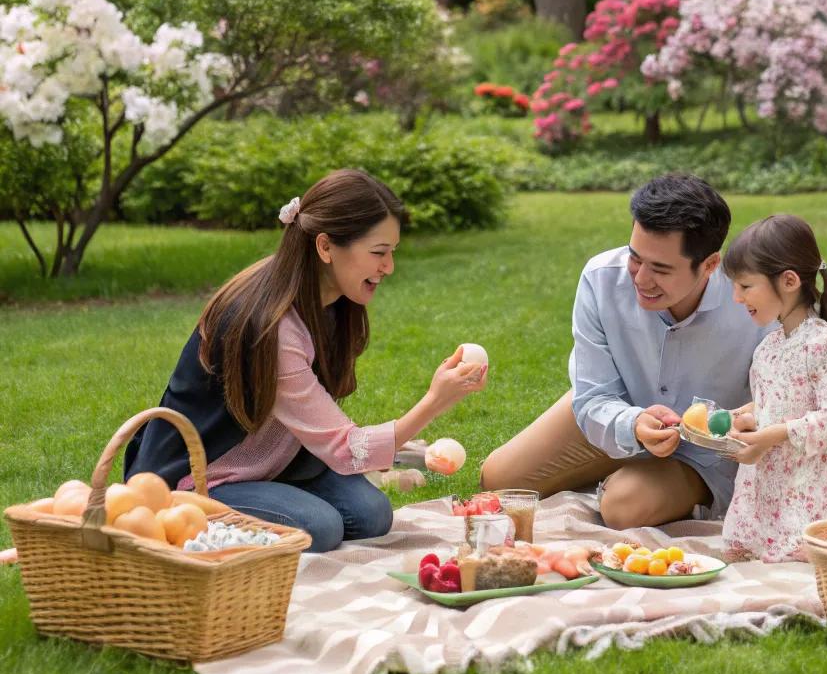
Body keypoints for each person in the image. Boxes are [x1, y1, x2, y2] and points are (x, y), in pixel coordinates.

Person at [125, 169, 487, 552]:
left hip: (278, 463)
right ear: (326, 247)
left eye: (391, 252)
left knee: (372, 516)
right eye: (378, 253)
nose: (389, 267)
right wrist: (436, 400)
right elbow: (349, 449)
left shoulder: (328, 299)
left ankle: (282, 493)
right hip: (202, 478)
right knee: (321, 526)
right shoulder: (272, 327)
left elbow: (324, 430)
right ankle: (212, 511)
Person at [481, 174, 767, 530]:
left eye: (661, 268)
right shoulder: (601, 279)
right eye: (636, 258)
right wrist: (630, 425)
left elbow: (796, 396)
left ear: (709, 265)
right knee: (500, 482)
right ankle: (624, 465)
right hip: (616, 410)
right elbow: (593, 394)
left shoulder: (756, 301)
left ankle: (646, 482)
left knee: (623, 508)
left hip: (705, 453)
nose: (641, 279)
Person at [720, 212, 827, 562]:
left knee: (824, 548)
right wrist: (740, 416)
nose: (737, 298)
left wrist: (767, 437)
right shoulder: (769, 347)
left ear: (788, 281)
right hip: (789, 472)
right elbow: (777, 401)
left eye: (745, 286)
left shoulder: (824, 346)